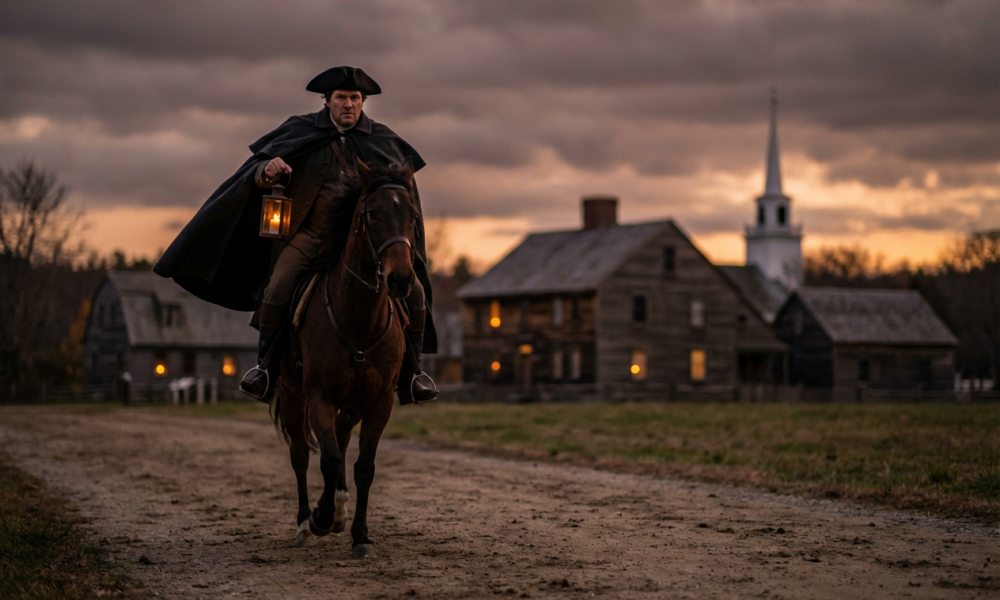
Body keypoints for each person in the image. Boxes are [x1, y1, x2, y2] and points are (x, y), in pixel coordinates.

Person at [153, 66, 438, 405]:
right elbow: (255, 170)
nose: (349, 105)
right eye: (341, 98)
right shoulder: (299, 131)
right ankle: (266, 371)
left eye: (355, 99)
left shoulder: (384, 143)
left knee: (416, 294)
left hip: (365, 245)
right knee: (278, 285)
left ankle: (412, 375)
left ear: (363, 102)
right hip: (310, 235)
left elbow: (402, 195)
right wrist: (266, 169)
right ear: (327, 101)